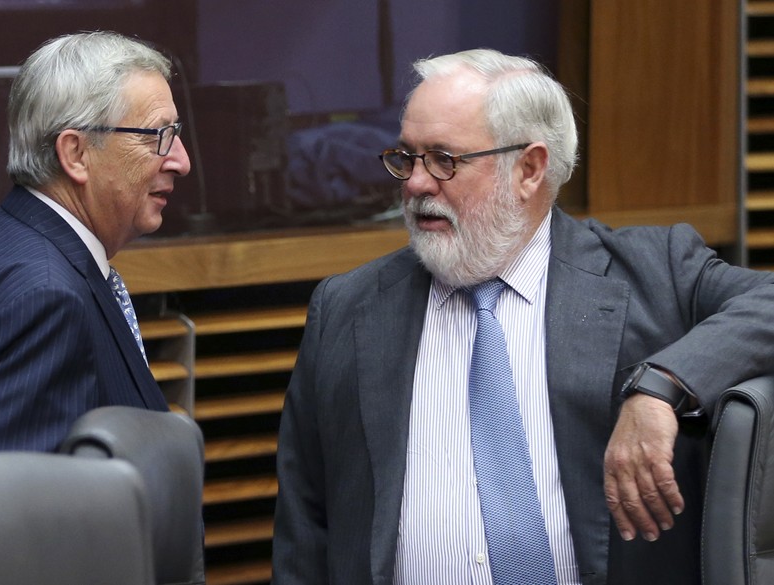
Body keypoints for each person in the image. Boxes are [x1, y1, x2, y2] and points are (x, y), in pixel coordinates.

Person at [271, 48, 774, 585]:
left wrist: (662, 387)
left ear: (529, 169)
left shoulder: (654, 272)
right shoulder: (347, 309)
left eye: (444, 159)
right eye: (406, 157)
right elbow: (306, 523)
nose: (415, 185)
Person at [0, 31, 191, 470]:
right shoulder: (43, 296)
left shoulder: (1, 238)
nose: (181, 159)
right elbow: (16, 519)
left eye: (175, 134)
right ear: (75, 152)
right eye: (157, 135)